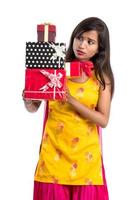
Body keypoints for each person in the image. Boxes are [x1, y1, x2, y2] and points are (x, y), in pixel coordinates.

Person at [23, 17, 114, 200]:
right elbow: (34, 107)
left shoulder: (101, 78)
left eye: (90, 42)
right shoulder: (55, 70)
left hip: (85, 160)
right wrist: (28, 98)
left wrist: (71, 100)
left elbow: (103, 120)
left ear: (99, 48)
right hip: (53, 157)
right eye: (79, 38)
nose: (82, 45)